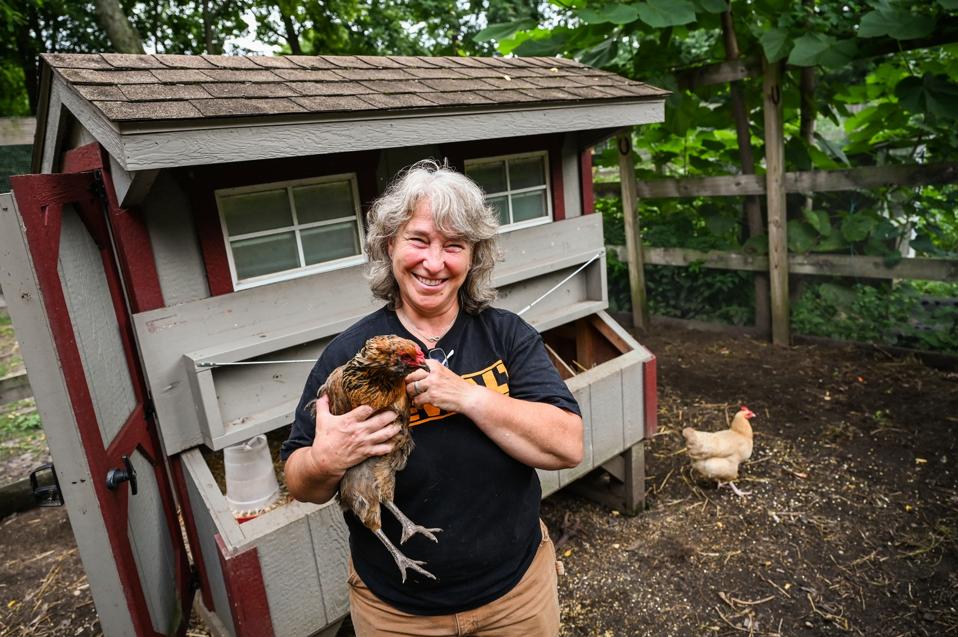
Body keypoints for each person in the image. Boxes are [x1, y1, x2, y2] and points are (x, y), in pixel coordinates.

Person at [281, 159, 584, 636]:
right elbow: (300, 482)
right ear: (389, 247)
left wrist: (466, 396)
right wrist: (326, 457)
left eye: (454, 246)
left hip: (517, 597)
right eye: (419, 240)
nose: (434, 262)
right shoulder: (346, 357)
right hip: (398, 614)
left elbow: (567, 446)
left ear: (473, 257)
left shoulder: (507, 336)